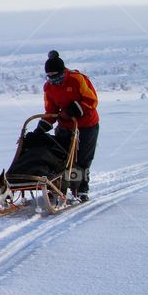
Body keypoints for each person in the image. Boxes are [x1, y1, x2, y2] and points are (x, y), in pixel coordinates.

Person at [34, 50, 99, 201]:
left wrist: (71, 111)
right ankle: (59, 186)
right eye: (49, 76)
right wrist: (41, 129)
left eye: (54, 76)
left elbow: (92, 100)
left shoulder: (77, 79)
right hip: (65, 126)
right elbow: (51, 111)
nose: (52, 79)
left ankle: (81, 189)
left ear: (62, 72)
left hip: (87, 124)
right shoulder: (48, 88)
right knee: (60, 157)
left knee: (82, 159)